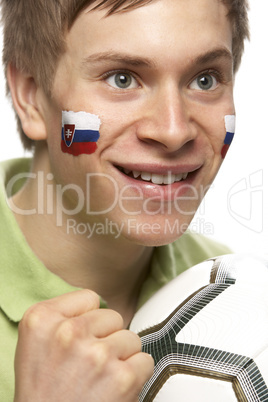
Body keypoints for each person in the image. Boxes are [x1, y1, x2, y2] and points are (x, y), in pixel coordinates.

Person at [0, 0, 249, 400]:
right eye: (121, 79)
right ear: (31, 96)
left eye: (204, 79)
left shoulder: (238, 293)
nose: (173, 130)